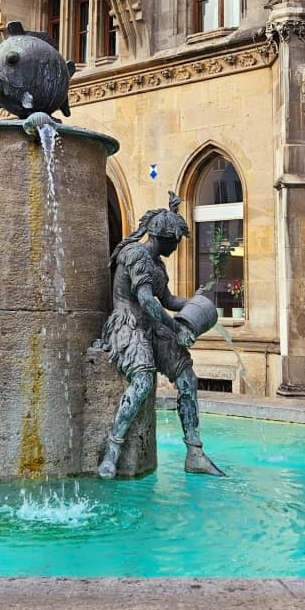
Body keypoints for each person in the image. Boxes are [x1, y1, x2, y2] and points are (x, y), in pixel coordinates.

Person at [97, 194, 223, 479]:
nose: (177, 247)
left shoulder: (158, 264)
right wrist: (176, 328)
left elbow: (165, 299)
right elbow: (147, 301)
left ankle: (195, 452)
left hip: (153, 324)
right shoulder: (135, 255)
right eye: (175, 240)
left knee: (187, 378)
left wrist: (194, 303)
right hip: (128, 323)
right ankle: (112, 451)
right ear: (161, 237)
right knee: (142, 380)